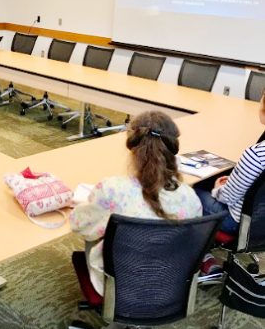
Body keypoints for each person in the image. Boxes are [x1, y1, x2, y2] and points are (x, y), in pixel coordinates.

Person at [70, 110, 203, 298]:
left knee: (95, 231)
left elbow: (80, 226)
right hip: (169, 284)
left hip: (119, 286)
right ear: (173, 150)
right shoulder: (190, 197)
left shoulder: (112, 189)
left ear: (132, 147)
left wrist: (84, 204)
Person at [195, 90, 265, 235]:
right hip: (260, 219)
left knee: (190, 191)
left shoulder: (255, 155)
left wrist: (217, 188)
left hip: (238, 223)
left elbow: (226, 198)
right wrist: (236, 180)